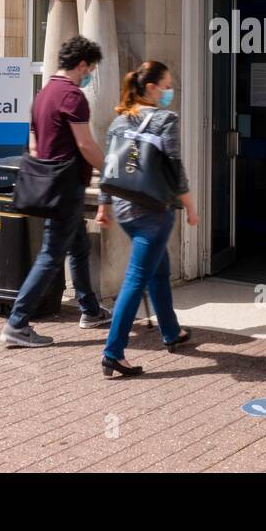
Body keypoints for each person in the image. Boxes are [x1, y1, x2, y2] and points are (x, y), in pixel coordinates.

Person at [0, 35, 113, 347]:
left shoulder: (43, 94)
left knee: (78, 248)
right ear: (82, 64)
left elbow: (35, 146)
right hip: (66, 187)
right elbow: (85, 144)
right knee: (51, 255)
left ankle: (90, 310)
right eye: (90, 68)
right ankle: (17, 323)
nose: (90, 73)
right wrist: (110, 170)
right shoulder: (73, 97)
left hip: (51, 185)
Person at [96, 61, 197, 377]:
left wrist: (104, 204)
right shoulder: (166, 119)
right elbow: (175, 167)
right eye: (166, 85)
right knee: (136, 278)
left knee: (158, 269)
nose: (170, 91)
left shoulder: (119, 121)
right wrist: (190, 206)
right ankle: (113, 352)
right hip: (154, 210)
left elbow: (109, 165)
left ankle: (171, 332)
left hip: (126, 209)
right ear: (151, 88)